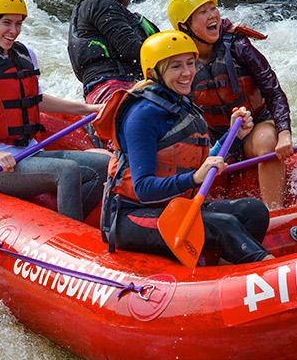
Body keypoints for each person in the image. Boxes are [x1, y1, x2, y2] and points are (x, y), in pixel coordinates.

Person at [96, 30, 274, 264]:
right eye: (176, 66)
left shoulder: (180, 103)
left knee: (253, 210)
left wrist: (235, 136)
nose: (187, 72)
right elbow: (143, 189)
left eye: (190, 63)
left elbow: (202, 163)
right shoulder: (142, 115)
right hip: (132, 216)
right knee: (223, 224)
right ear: (154, 72)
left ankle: (225, 270)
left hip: (175, 207)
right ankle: (265, 267)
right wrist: (194, 179)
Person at [0, 0, 110, 222]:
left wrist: (88, 109)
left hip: (31, 152)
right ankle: (69, 234)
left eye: (18, 24)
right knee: (67, 170)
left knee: (105, 164)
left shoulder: (26, 55)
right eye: (6, 23)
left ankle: (62, 220)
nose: (14, 31)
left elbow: (36, 99)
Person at [167, 0, 294, 209]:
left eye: (213, 8)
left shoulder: (238, 46)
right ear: (184, 26)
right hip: (213, 140)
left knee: (266, 141)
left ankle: (275, 212)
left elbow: (273, 90)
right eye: (202, 12)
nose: (213, 15)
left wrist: (284, 133)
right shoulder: (178, 63)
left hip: (254, 126)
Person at [68, 0, 159, 109]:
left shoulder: (93, 5)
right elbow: (130, 49)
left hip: (103, 87)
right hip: (113, 86)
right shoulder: (101, 3)